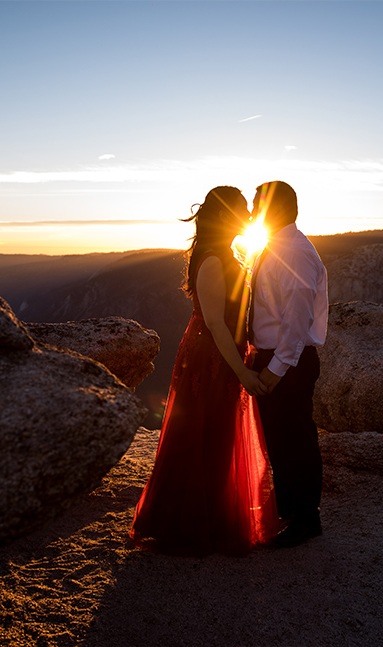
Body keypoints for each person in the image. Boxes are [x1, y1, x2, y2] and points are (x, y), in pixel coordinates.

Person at [130, 186, 279, 556]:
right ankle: (187, 523)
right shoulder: (214, 259)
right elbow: (215, 323)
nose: (248, 214)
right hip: (211, 358)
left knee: (217, 434)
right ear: (226, 216)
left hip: (222, 355)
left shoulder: (226, 254)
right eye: (242, 209)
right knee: (203, 434)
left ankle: (210, 516)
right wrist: (243, 372)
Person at [250, 180, 329, 548]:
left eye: (257, 204)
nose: (252, 211)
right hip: (278, 358)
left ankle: (306, 518)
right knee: (279, 438)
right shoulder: (274, 247)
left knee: (296, 437)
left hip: (290, 362)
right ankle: (288, 507)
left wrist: (273, 371)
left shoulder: (295, 254)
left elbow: (296, 326)